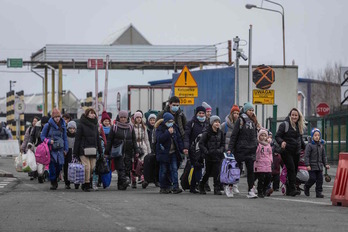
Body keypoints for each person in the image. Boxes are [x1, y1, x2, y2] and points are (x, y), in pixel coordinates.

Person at [228, 102, 259, 199]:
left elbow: (255, 135)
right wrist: (230, 148)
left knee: (250, 171)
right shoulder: (240, 120)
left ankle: (251, 190)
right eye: (249, 110)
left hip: (251, 149)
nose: (251, 112)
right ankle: (230, 187)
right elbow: (234, 135)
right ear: (245, 110)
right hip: (240, 149)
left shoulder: (254, 121)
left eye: (252, 110)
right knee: (236, 170)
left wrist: (255, 146)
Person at [275, 108, 306, 197]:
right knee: (291, 168)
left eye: (296, 115)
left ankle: (289, 189)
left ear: (298, 116)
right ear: (290, 115)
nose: (294, 117)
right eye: (292, 115)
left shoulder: (299, 126)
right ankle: (292, 189)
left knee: (294, 170)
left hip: (296, 152)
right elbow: (277, 136)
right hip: (286, 151)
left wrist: (305, 148)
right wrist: (282, 142)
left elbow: (300, 140)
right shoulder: (284, 125)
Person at [105, 110, 138, 190]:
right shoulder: (114, 127)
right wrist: (107, 152)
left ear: (127, 118)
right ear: (119, 118)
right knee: (120, 167)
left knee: (127, 167)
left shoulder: (130, 127)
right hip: (118, 151)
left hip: (128, 151)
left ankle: (121, 185)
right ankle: (125, 180)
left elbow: (134, 140)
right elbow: (109, 140)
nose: (123, 119)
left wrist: (136, 151)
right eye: (121, 117)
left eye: (124, 117)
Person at [73, 108, 103, 192]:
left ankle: (87, 181)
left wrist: (100, 151)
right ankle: (86, 184)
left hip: (93, 149)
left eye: (94, 113)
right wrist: (75, 152)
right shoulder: (81, 125)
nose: (93, 115)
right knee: (87, 167)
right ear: (87, 114)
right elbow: (77, 139)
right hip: (83, 149)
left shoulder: (95, 125)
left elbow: (98, 139)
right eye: (91, 113)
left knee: (92, 167)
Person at [41, 108, 69, 190]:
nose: (57, 118)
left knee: (59, 166)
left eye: (58, 117)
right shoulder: (48, 125)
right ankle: (53, 181)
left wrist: (66, 149)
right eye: (55, 117)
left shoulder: (63, 125)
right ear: (53, 117)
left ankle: (56, 178)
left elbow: (65, 138)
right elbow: (42, 136)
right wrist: (49, 141)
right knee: (52, 167)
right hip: (51, 149)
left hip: (60, 149)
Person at [156, 112, 184, 194]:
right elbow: (160, 139)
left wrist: (182, 149)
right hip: (163, 153)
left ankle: (175, 186)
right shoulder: (160, 128)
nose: (170, 123)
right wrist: (168, 133)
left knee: (174, 169)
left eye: (172, 121)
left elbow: (178, 139)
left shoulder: (175, 127)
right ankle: (163, 186)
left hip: (173, 152)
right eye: (169, 121)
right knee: (163, 170)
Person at [183, 106, 209, 194]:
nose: (201, 115)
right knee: (197, 166)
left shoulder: (207, 124)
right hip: (193, 149)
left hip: (203, 149)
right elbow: (186, 136)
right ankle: (198, 185)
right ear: (196, 114)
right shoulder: (191, 123)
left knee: (199, 167)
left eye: (203, 113)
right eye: (199, 113)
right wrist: (186, 147)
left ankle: (193, 186)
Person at [198, 115, 225, 195]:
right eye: (215, 122)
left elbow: (223, 144)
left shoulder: (221, 133)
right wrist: (206, 152)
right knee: (207, 172)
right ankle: (201, 185)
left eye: (218, 122)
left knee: (217, 173)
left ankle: (216, 188)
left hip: (217, 156)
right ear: (211, 123)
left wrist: (221, 150)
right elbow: (201, 144)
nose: (217, 123)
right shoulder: (207, 133)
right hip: (209, 156)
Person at [221, 104, 241, 195]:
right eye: (234, 113)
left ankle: (235, 185)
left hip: (237, 149)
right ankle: (226, 186)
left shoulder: (241, 124)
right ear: (231, 113)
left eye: (237, 113)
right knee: (227, 169)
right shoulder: (225, 125)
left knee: (236, 168)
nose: (236, 115)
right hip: (227, 150)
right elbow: (221, 137)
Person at [304, 128, 330, 198]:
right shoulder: (309, 145)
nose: (317, 137)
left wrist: (326, 164)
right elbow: (306, 156)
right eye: (315, 135)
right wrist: (307, 164)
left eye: (318, 135)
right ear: (312, 136)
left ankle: (319, 192)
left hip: (319, 166)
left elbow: (324, 156)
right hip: (312, 166)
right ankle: (307, 186)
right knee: (312, 178)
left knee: (320, 180)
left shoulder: (321, 145)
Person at [132, 111, 151, 188]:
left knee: (143, 164)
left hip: (143, 147)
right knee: (134, 164)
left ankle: (143, 179)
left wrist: (149, 149)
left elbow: (146, 139)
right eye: (137, 117)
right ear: (134, 118)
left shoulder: (144, 127)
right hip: (135, 147)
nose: (139, 119)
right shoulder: (132, 127)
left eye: (140, 117)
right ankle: (133, 181)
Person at [28, 116, 50, 183]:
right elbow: (32, 135)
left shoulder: (50, 126)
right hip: (38, 147)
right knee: (39, 161)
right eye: (43, 124)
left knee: (46, 161)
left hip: (47, 147)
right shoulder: (37, 126)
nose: (44, 125)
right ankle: (40, 174)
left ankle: (43, 173)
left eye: (45, 124)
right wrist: (30, 143)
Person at [254, 128, 273, 198]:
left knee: (268, 178)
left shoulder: (268, 145)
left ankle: (265, 189)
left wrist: (271, 159)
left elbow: (270, 153)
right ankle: (260, 191)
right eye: (261, 135)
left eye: (265, 135)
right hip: (260, 164)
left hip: (267, 163)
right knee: (261, 179)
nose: (263, 137)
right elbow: (256, 152)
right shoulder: (258, 145)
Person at [64, 121, 77, 189]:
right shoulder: (65, 135)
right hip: (67, 152)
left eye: (73, 128)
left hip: (75, 152)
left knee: (76, 168)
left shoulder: (77, 136)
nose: (72, 130)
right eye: (70, 128)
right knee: (66, 168)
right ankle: (67, 182)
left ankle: (76, 182)